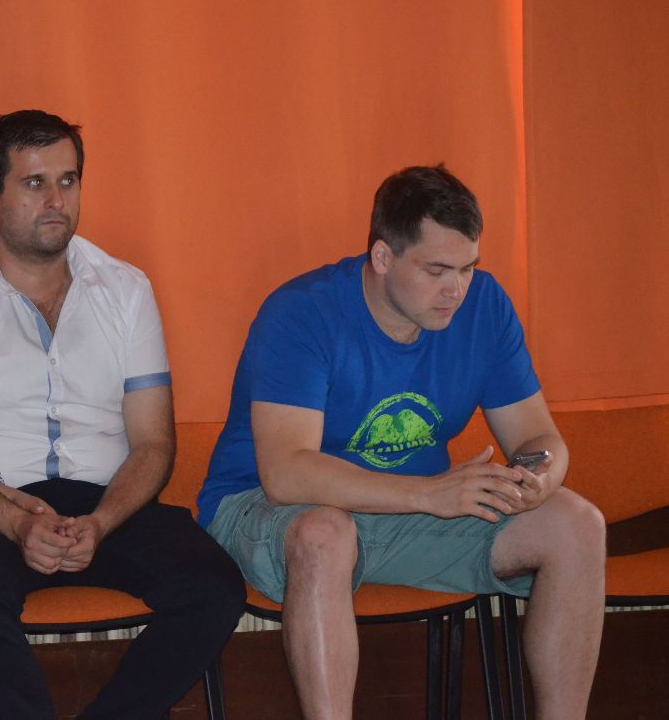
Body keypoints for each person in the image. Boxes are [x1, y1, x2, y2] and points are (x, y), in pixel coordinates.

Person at [0, 110, 245, 719]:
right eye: (34, 182)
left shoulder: (126, 289)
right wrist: (14, 522)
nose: (56, 200)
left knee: (214, 588)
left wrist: (101, 521)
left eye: (67, 181)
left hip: (105, 501)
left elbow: (153, 443)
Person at [197, 165, 606, 719]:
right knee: (324, 532)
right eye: (436, 270)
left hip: (413, 511)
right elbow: (286, 474)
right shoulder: (302, 312)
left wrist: (538, 475)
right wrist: (428, 494)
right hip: (268, 509)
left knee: (578, 525)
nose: (455, 290)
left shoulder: (484, 305)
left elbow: (538, 436)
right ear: (383, 257)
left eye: (467, 268)